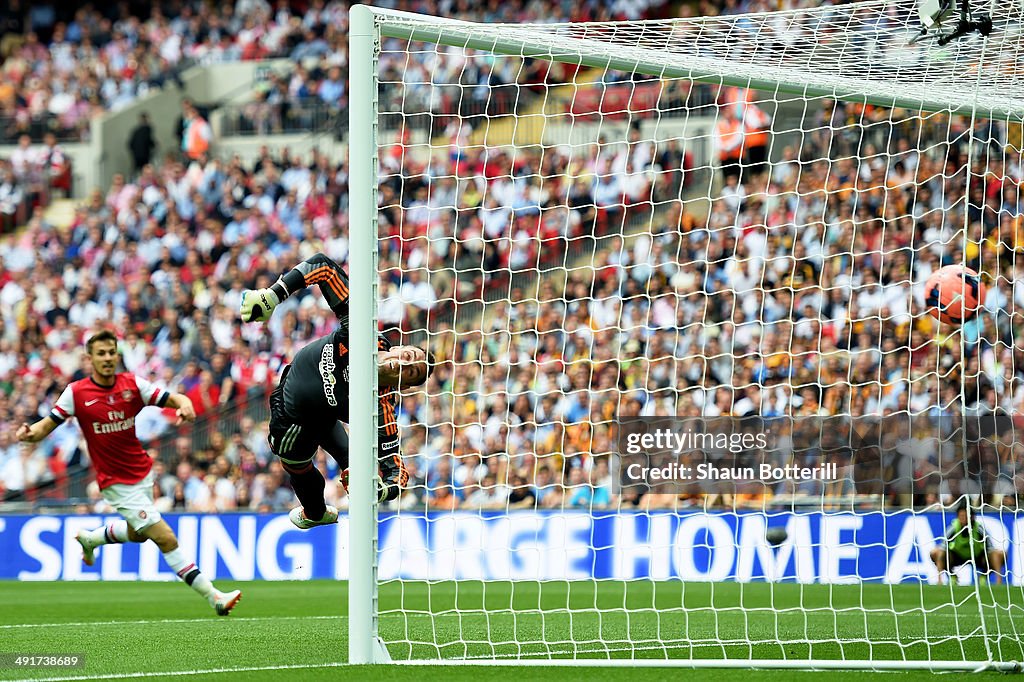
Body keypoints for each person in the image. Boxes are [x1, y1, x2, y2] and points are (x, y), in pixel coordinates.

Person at [15, 329, 242, 615]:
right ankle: (214, 597)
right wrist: (28, 433)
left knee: (138, 534)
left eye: (111, 352)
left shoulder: (132, 385)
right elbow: (45, 426)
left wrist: (185, 405)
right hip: (115, 483)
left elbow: (174, 398)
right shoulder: (77, 393)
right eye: (101, 353)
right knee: (166, 537)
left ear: (117, 355)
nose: (107, 358)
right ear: (90, 359)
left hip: (142, 471)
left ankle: (92, 538)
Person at [240, 253, 431, 529]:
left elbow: (398, 474)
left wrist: (380, 491)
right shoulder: (362, 332)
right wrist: (273, 295)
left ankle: (326, 510)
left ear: (405, 385)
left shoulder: (382, 407)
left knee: (355, 469)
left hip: (311, 419)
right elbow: (323, 267)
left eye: (411, 371)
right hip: (296, 410)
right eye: (411, 355)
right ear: (400, 347)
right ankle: (315, 513)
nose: (405, 363)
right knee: (301, 468)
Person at [930, 503, 1005, 585]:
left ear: (972, 517)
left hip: (977, 557)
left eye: (966, 516)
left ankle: (990, 579)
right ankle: (948, 577)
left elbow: (990, 548)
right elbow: (942, 547)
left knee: (999, 554)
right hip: (957, 556)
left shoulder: (979, 528)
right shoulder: (953, 527)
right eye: (961, 516)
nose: (964, 519)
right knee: (935, 553)